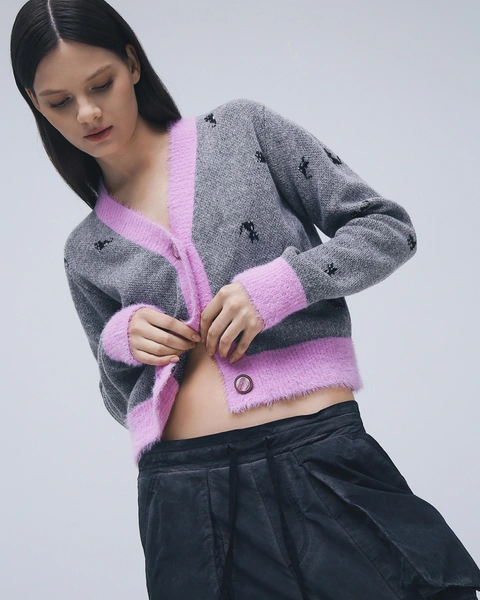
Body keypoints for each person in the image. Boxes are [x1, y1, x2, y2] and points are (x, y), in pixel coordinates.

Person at [10, 1, 480, 599]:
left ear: (132, 63)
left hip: (318, 455)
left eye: (100, 84)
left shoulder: (240, 131)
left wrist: (282, 286)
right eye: (59, 102)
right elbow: (118, 403)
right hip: (186, 498)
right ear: (35, 104)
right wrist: (121, 340)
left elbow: (388, 229)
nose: (87, 113)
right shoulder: (86, 251)